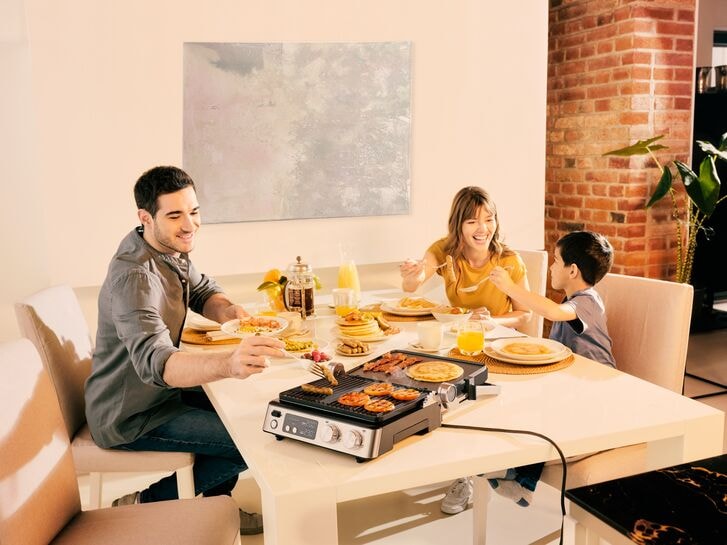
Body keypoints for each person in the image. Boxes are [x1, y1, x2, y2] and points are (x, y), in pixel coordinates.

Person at [84, 166, 285, 536]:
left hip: (159, 395)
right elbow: (158, 364)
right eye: (175, 215)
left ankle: (214, 506)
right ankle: (148, 502)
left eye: (194, 211)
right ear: (146, 217)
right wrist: (229, 363)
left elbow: (203, 290)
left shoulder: (164, 246)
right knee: (252, 438)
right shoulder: (135, 277)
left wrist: (230, 312)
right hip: (131, 414)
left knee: (246, 411)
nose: (189, 224)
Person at [471, 230, 616, 510]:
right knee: (520, 401)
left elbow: (551, 312)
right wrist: (496, 324)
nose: (551, 266)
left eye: (557, 260)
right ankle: (514, 473)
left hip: (596, 388)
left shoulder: (587, 301)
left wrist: (510, 287)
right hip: (572, 384)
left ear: (572, 270)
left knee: (544, 413)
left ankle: (518, 477)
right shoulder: (572, 302)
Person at [400, 186, 532, 330]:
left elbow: (525, 313)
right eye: (472, 222)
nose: (483, 229)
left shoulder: (509, 261)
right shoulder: (444, 251)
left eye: (489, 220)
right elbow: (410, 287)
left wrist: (491, 321)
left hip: (497, 336)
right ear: (458, 225)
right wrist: (413, 276)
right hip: (458, 333)